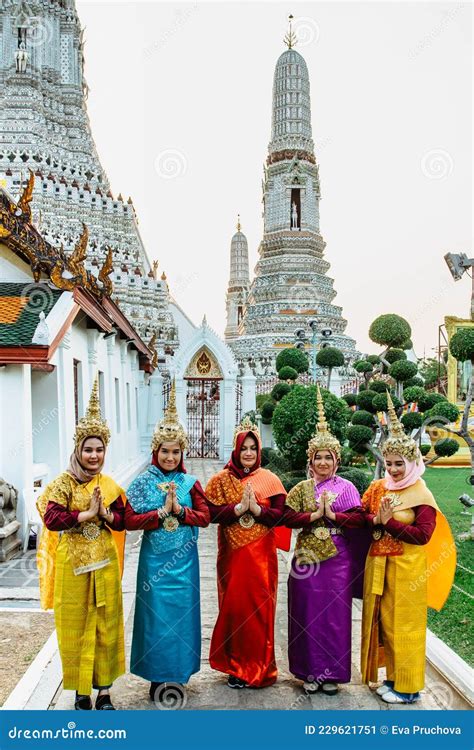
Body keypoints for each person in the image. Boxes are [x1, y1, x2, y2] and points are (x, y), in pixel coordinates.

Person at [36, 377, 126, 710]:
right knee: (75, 628)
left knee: (105, 626)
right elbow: (51, 518)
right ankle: (81, 691)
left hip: (104, 566)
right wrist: (85, 516)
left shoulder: (110, 485)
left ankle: (104, 691)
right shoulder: (63, 483)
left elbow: (125, 519)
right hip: (72, 569)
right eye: (88, 449)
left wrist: (106, 514)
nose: (93, 455)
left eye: (99, 449)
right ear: (78, 450)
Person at [360, 392, 456, 704]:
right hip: (380, 565)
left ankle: (409, 687)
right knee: (384, 624)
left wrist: (388, 524)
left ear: (412, 461)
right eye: (388, 464)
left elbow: (423, 535)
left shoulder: (420, 493)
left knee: (406, 627)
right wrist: (373, 518)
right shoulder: (380, 486)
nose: (394, 470)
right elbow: (362, 513)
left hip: (408, 568)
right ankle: (392, 678)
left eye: (399, 464)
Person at [125, 381, 209, 703]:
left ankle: (176, 674)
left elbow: (205, 516)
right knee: (155, 618)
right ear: (155, 451)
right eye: (165, 451)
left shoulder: (189, 482)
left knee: (181, 618)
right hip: (154, 562)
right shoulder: (144, 481)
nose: (170, 456)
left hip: (184, 562)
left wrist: (182, 512)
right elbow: (130, 521)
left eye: (175, 451)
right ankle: (156, 675)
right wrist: (160, 514)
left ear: (181, 452)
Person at [283, 386, 367, 696]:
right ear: (311, 459)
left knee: (334, 616)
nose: (322, 462)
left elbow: (359, 520)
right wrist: (311, 516)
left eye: (328, 457)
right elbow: (285, 519)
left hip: (337, 558)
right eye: (317, 457)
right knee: (306, 613)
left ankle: (331, 674)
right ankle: (308, 671)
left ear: (336, 460)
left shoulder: (346, 488)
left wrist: (333, 516)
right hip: (306, 557)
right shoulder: (302, 489)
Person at [205, 416, 290, 689]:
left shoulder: (270, 480)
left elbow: (280, 515)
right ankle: (235, 666)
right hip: (233, 557)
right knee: (234, 609)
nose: (249, 453)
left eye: (253, 448)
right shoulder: (221, 480)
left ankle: (261, 666)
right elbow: (210, 513)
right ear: (236, 450)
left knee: (260, 610)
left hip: (261, 560)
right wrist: (238, 510)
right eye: (244, 448)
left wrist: (258, 511)